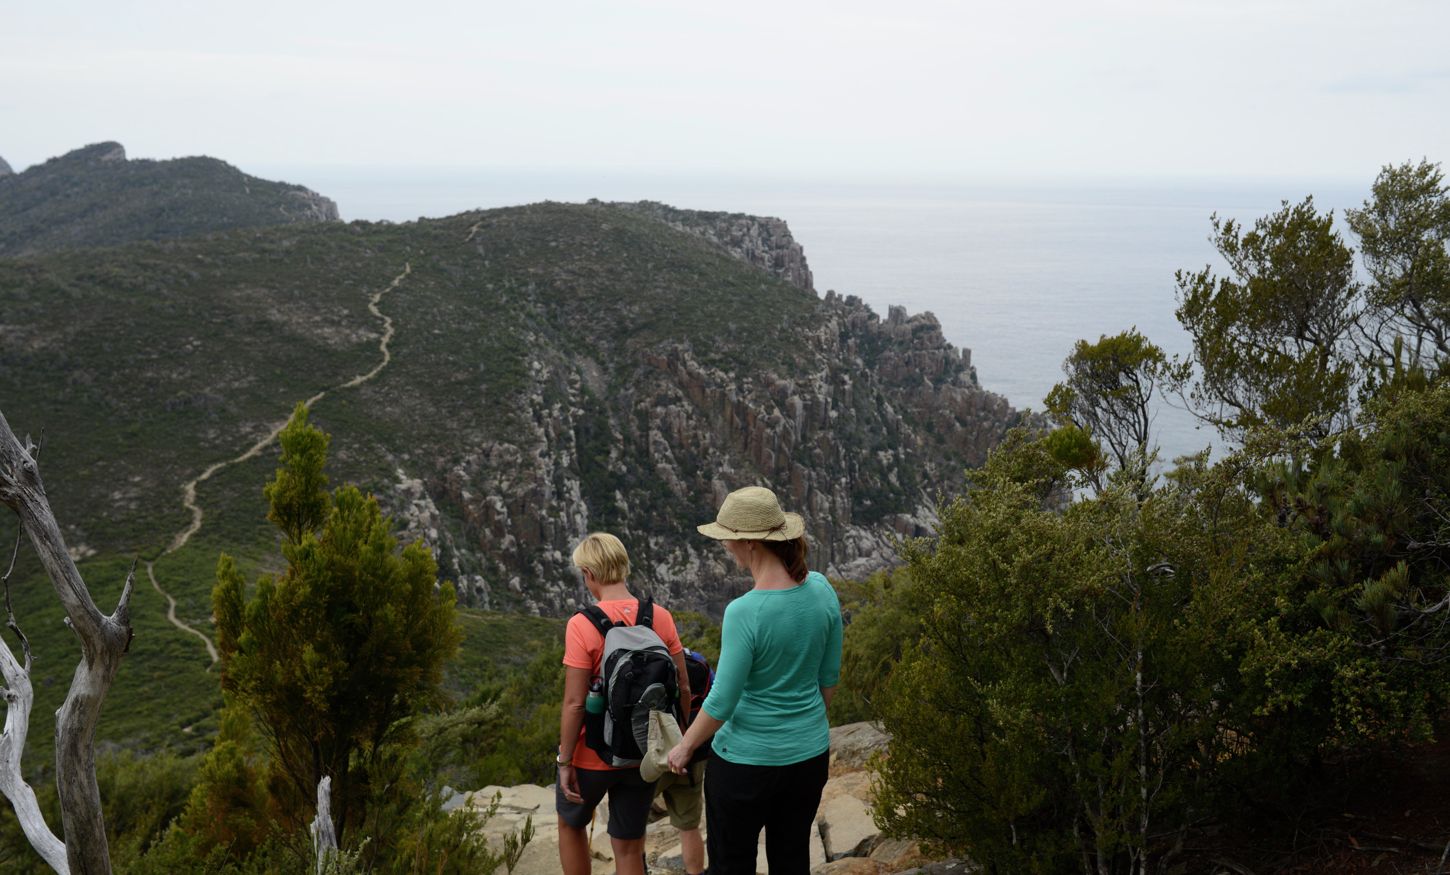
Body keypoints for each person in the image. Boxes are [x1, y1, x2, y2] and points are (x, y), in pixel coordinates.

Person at [666, 486, 843, 874]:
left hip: (745, 765)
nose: (725, 546)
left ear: (749, 543)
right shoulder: (822, 590)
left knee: (732, 864)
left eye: (728, 538)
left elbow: (722, 702)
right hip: (809, 757)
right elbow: (828, 678)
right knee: (792, 858)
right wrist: (804, 723)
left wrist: (683, 748)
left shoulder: (745, 612)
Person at [557, 532, 693, 875]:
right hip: (644, 752)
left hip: (592, 755)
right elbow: (684, 687)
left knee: (571, 825)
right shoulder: (659, 616)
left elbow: (574, 703)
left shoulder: (581, 624)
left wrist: (565, 760)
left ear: (588, 573)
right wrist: (678, 742)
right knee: (630, 848)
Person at [649, 648, 713, 875]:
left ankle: (635, 868)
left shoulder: (647, 661)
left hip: (656, 757)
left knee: (632, 823)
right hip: (692, 756)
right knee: (688, 826)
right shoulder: (697, 661)